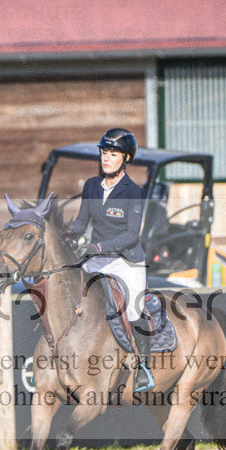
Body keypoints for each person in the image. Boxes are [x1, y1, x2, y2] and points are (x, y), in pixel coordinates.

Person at [67, 127, 154, 392]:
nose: (106, 158)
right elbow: (82, 222)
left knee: (133, 309)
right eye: (105, 152)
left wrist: (99, 246)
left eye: (113, 154)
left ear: (126, 158)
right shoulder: (92, 186)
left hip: (125, 261)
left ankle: (142, 367)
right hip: (95, 258)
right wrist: (70, 239)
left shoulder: (133, 191)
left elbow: (131, 234)